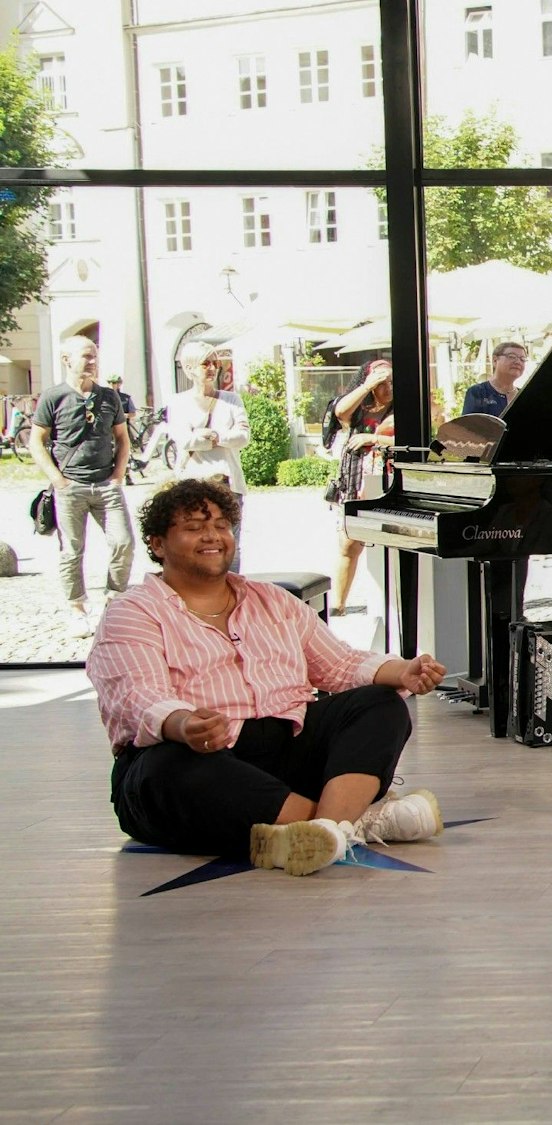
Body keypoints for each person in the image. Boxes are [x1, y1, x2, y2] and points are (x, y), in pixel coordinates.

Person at [87, 479, 449, 877]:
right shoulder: (132, 612)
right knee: (169, 766)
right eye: (193, 527)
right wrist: (184, 723)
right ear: (157, 544)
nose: (213, 536)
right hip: (201, 759)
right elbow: (136, 695)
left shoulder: (272, 600)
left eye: (222, 525)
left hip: (284, 749)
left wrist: (405, 671)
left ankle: (319, 832)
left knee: (380, 704)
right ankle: (349, 824)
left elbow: (341, 664)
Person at [32, 336, 134, 636]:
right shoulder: (54, 397)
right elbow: (35, 441)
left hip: (105, 485)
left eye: (95, 356)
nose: (93, 362)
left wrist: (117, 476)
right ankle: (77, 608)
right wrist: (57, 480)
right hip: (70, 486)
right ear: (67, 360)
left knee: (123, 542)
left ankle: (113, 602)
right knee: (72, 550)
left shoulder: (108, 397)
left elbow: (122, 438)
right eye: (87, 357)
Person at [166, 344, 251, 574]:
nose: (212, 368)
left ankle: (232, 591)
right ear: (189, 368)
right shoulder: (178, 402)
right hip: (193, 485)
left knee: (229, 542)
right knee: (194, 542)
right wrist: (212, 439)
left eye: (216, 363)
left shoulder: (231, 400)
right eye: (206, 363)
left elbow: (243, 436)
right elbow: (184, 440)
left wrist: (216, 436)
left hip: (227, 483)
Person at [327, 359, 395, 617]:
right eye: (382, 383)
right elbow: (340, 413)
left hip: (387, 480)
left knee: (389, 546)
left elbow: (418, 435)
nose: (387, 387)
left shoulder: (405, 406)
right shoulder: (360, 407)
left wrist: (374, 438)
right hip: (355, 480)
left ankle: (389, 605)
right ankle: (339, 604)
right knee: (348, 544)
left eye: (391, 382)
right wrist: (368, 385)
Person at [461, 340, 525, 417]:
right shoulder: (478, 392)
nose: (518, 362)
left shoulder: (524, 395)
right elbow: (468, 425)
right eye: (512, 357)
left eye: (522, 359)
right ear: (495, 360)